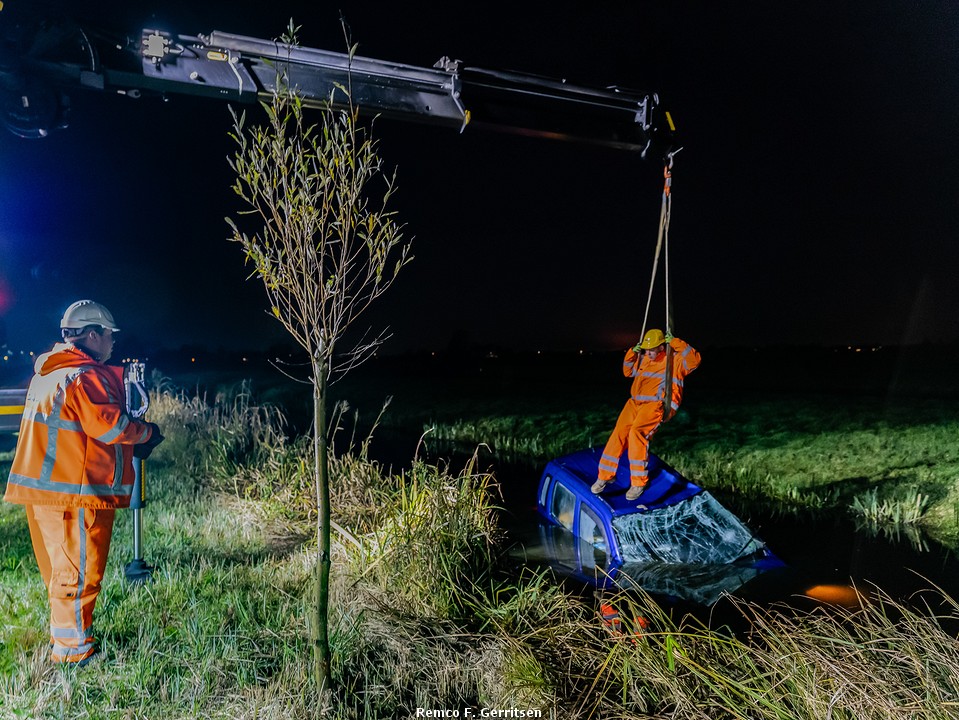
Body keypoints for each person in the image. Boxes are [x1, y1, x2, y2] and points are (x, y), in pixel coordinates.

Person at [4, 300, 164, 665]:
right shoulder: (83, 375)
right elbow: (110, 426)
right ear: (92, 334)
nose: (112, 343)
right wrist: (145, 433)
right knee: (78, 574)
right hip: (73, 494)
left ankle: (70, 639)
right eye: (109, 335)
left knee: (61, 573)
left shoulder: (48, 374)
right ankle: (75, 653)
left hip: (47, 491)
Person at [591, 329, 701, 502]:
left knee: (637, 434)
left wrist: (676, 342)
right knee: (618, 434)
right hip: (634, 403)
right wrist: (631, 354)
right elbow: (627, 372)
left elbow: (695, 360)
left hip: (656, 405)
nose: (648, 352)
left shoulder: (674, 361)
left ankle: (639, 483)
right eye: (646, 349)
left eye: (651, 349)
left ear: (661, 347)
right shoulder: (643, 359)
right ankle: (605, 476)